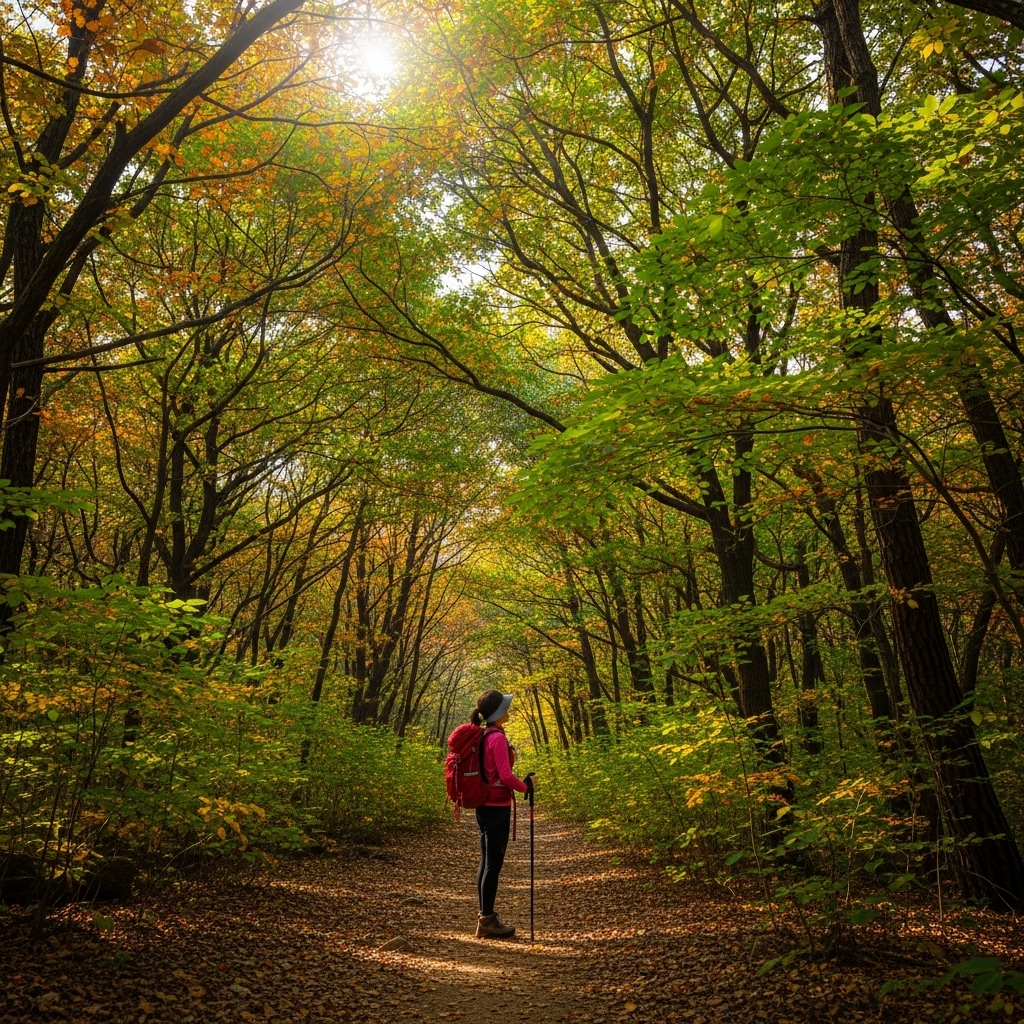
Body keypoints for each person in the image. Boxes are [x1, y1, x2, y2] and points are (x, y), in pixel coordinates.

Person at [470, 689, 535, 939]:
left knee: (487, 861)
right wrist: (525, 786)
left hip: (485, 805)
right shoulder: (496, 737)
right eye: (505, 707)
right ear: (498, 712)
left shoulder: (487, 735)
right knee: (493, 863)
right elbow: (506, 776)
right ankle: (486, 921)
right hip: (496, 807)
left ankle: (485, 916)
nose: (508, 709)